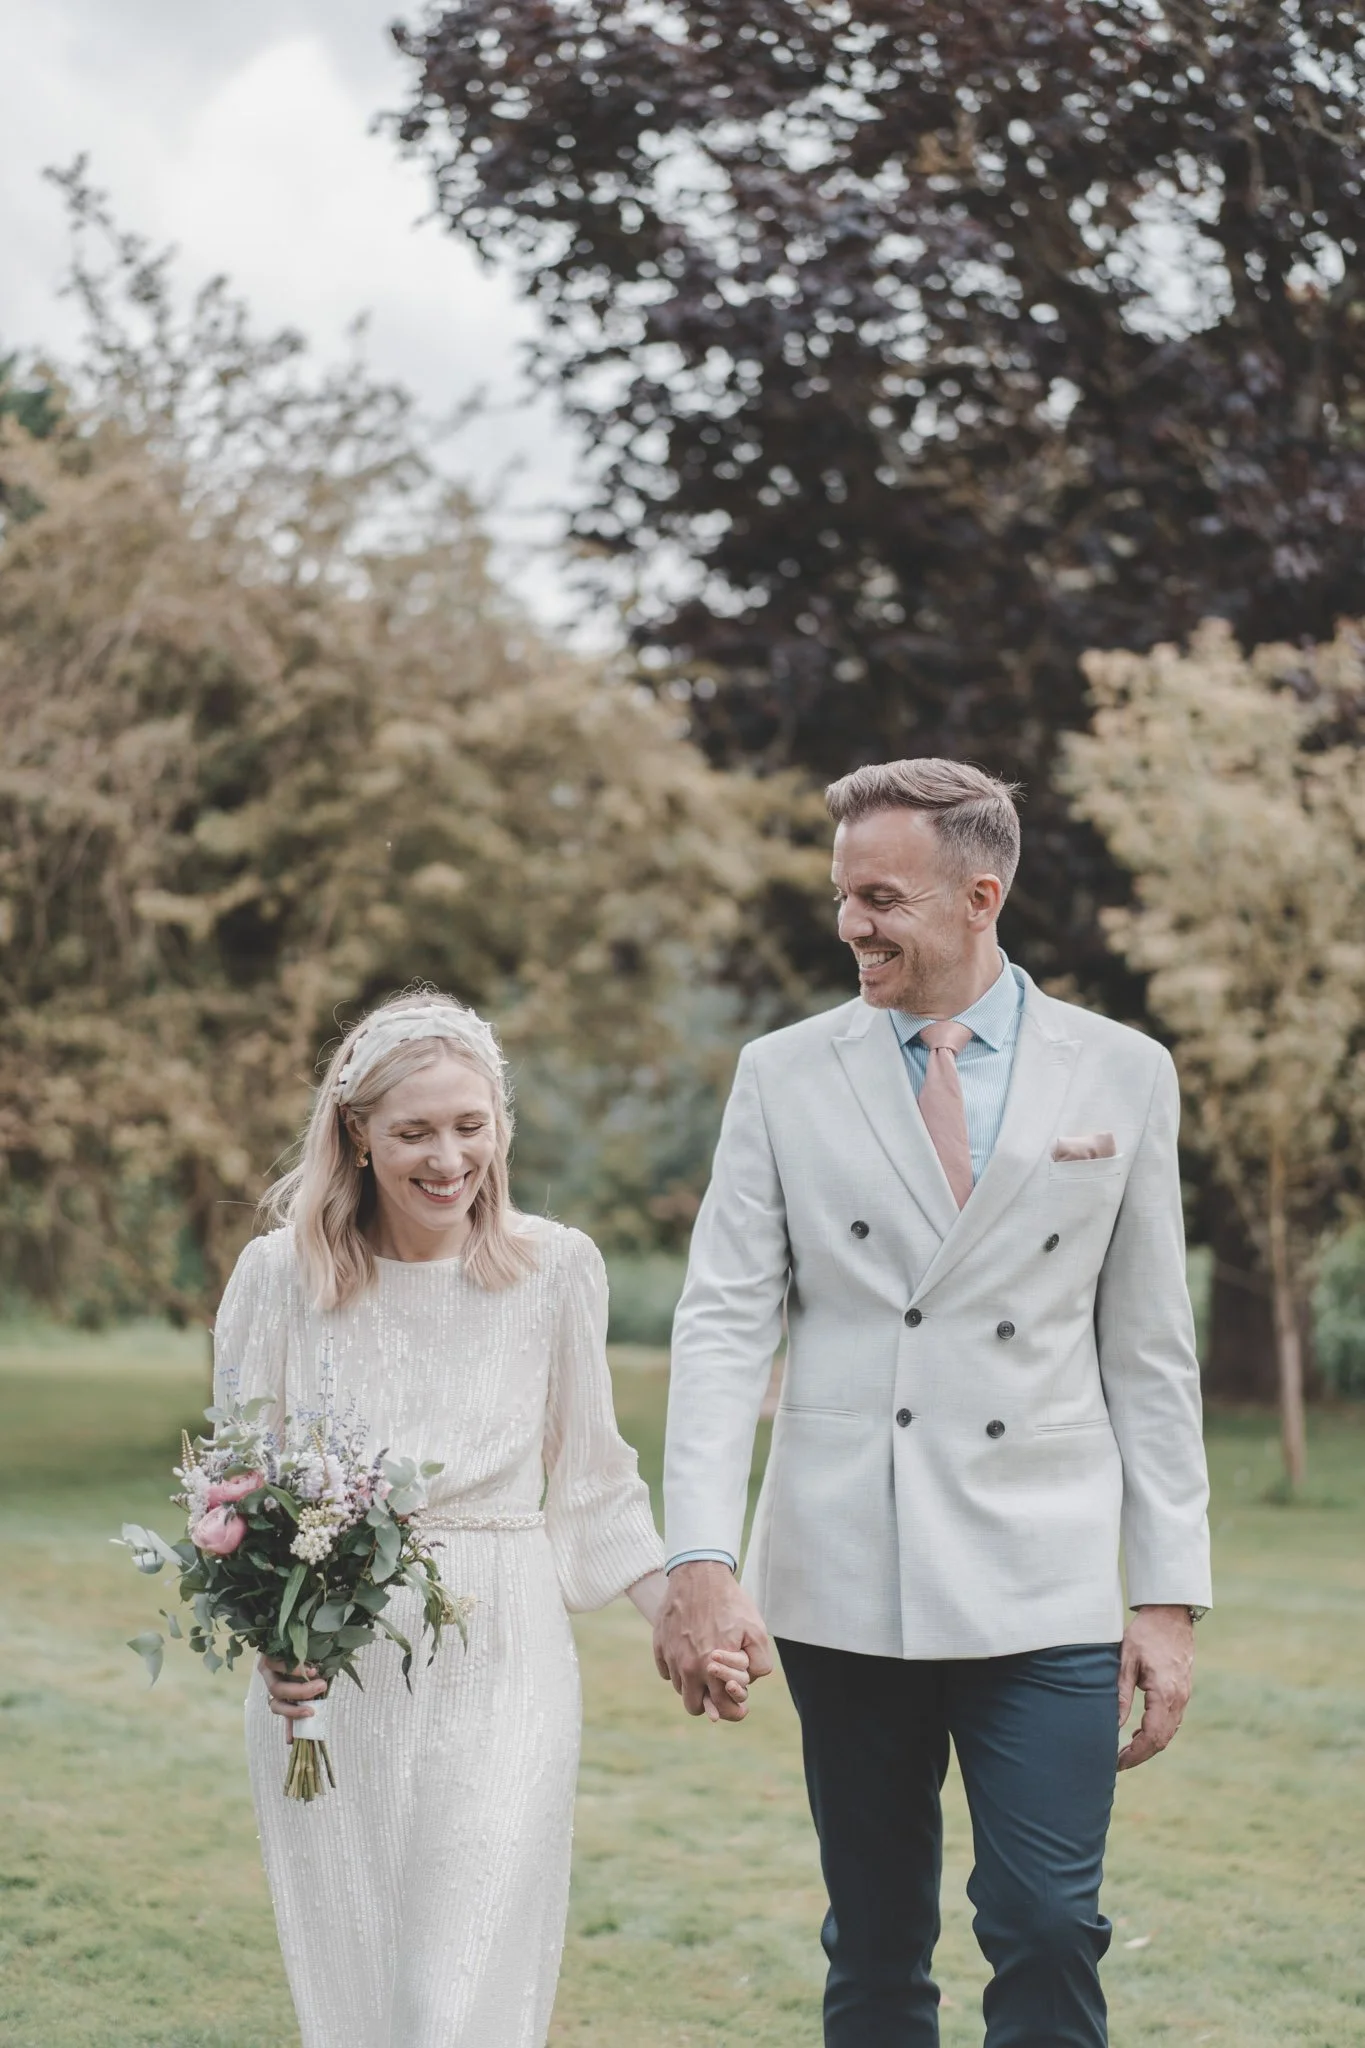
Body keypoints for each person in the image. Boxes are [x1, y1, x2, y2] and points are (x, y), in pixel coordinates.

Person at [654, 759, 1212, 2048]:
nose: (851, 922)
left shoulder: (1124, 1072)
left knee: (1049, 1920)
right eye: (843, 894)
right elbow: (724, 1323)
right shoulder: (784, 1073)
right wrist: (700, 1554)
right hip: (850, 1565)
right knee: (877, 1938)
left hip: (1047, 1568)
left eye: (881, 897)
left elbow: (1151, 1350)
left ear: (980, 894)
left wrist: (1167, 1595)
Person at [214, 990, 748, 2048]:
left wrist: (682, 1614)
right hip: (336, 1674)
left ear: (502, 1122)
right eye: (415, 1130)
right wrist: (273, 1647)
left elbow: (594, 1484)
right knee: (361, 1996)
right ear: (357, 1133)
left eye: (472, 1124)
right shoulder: (280, 1277)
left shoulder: (555, 1267)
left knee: (450, 2000)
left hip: (505, 1657)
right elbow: (240, 1499)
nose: (449, 1157)